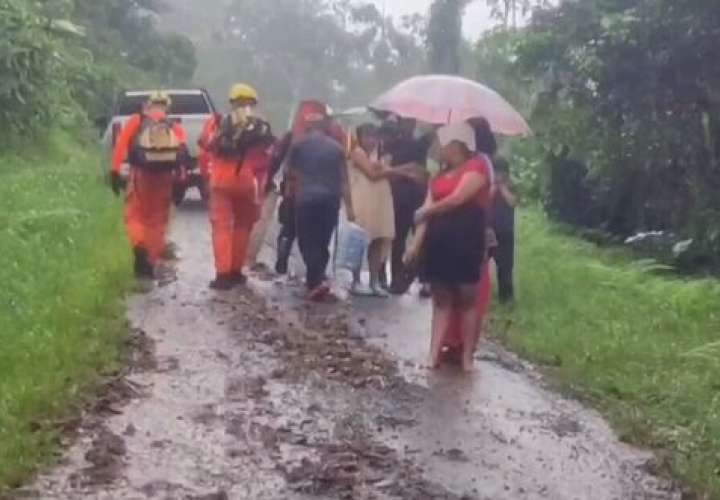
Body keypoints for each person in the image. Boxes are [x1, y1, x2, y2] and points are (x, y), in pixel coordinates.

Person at [405, 122, 491, 372]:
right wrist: (415, 245)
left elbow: (457, 199)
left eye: (440, 144)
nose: (436, 149)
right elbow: (425, 217)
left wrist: (425, 210)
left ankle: (467, 358)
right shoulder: (439, 177)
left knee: (467, 299)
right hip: (439, 244)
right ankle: (433, 355)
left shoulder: (477, 168)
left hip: (466, 242)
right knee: (441, 300)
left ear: (455, 145)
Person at [198, 83, 274, 290]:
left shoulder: (217, 122)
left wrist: (207, 178)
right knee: (243, 226)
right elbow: (266, 158)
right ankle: (236, 271)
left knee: (221, 227)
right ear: (253, 103)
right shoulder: (260, 125)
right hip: (246, 181)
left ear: (231, 102)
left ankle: (222, 274)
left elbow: (205, 148)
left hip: (221, 180)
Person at [111, 91, 189, 279]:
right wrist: (181, 181)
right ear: (166, 106)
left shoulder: (136, 121)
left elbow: (121, 146)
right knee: (158, 220)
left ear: (148, 105)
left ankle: (139, 247)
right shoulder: (174, 126)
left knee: (135, 215)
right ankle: (150, 263)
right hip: (164, 179)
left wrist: (114, 171)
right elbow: (183, 155)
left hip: (140, 176)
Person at [287, 110, 354, 300]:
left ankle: (315, 280)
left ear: (308, 127)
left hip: (305, 200)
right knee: (323, 240)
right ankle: (316, 279)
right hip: (330, 201)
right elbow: (344, 180)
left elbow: (290, 174)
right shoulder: (337, 148)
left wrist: (291, 195)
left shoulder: (298, 145)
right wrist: (350, 208)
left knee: (307, 240)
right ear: (325, 127)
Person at [380, 118, 433, 294]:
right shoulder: (393, 145)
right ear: (401, 124)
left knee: (421, 238)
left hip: (417, 195)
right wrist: (408, 170)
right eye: (406, 122)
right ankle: (397, 277)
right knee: (398, 238)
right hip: (399, 195)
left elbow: (423, 172)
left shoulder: (421, 143)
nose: (409, 125)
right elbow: (385, 169)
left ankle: (424, 280)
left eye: (411, 122)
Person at [347, 124, 395, 297]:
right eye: (367, 136)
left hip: (380, 201)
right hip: (362, 200)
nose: (371, 140)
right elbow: (372, 173)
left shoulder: (381, 155)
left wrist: (387, 166)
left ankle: (374, 282)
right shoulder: (357, 152)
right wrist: (396, 170)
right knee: (359, 241)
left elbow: (383, 170)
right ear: (360, 137)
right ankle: (356, 280)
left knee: (377, 241)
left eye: (374, 136)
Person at [492, 156, 517, 303]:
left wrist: (502, 187)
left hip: (505, 231)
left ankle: (506, 297)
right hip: (489, 230)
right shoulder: (488, 184)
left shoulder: (511, 185)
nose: (498, 175)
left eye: (501, 172)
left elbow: (512, 202)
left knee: (505, 266)